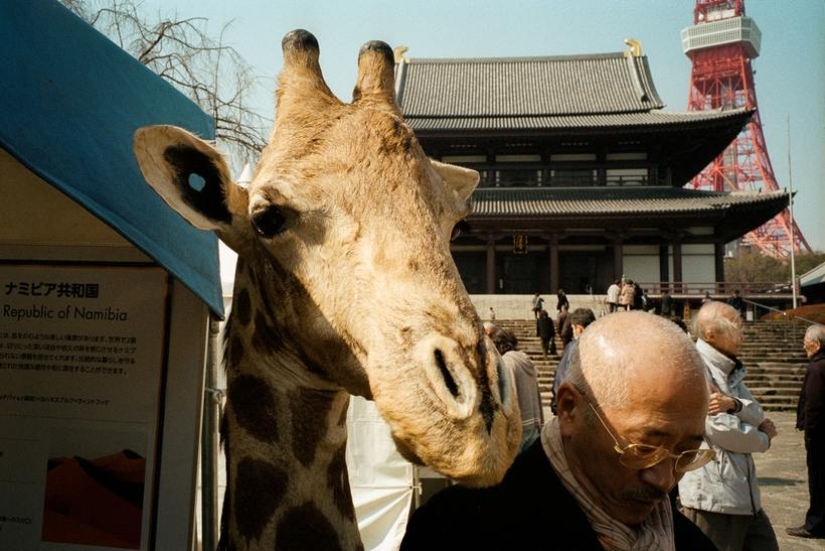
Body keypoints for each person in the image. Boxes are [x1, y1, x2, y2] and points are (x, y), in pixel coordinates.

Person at [401, 312, 718, 551]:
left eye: (686, 453)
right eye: (644, 449)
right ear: (569, 409)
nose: (664, 480)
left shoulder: (689, 542)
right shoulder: (455, 531)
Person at [678, 301, 780, 551]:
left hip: (743, 494)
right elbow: (720, 428)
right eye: (735, 326)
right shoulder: (695, 367)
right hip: (713, 494)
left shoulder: (728, 368)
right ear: (711, 334)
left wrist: (734, 404)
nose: (742, 334)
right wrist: (764, 438)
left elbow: (756, 412)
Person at [787, 323, 825, 539]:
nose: (804, 346)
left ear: (816, 344)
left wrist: (809, 434)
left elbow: (814, 405)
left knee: (818, 480)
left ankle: (815, 524)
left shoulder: (816, 368)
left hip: (820, 436)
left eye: (806, 342)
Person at [490, 327, 544, 453]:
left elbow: (507, 397)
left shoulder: (507, 363)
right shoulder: (524, 360)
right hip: (533, 423)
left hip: (518, 428)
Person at [552, 307, 596, 415]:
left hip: (574, 411)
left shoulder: (574, 348)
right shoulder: (602, 345)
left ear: (579, 329)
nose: (572, 333)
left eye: (573, 329)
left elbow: (562, 379)